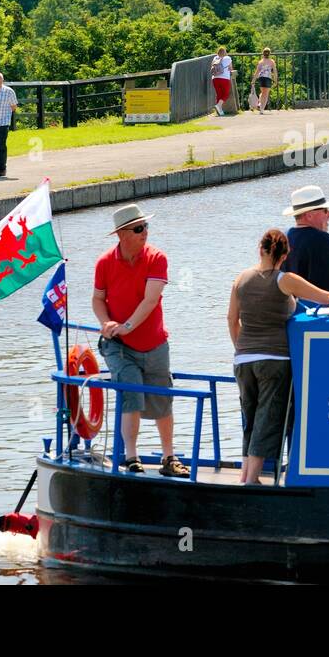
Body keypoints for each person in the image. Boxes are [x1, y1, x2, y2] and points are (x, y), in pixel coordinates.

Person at [228, 228, 329, 484]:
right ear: (285, 255)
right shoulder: (285, 280)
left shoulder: (241, 279)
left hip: (243, 361)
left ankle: (244, 475)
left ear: (260, 248)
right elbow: (324, 297)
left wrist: (241, 347)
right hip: (275, 359)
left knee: (250, 417)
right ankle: (251, 480)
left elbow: (232, 319)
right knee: (268, 418)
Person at [92, 205, 189, 478]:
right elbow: (98, 299)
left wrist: (127, 326)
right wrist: (106, 324)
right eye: (138, 229)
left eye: (146, 226)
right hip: (119, 347)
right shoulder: (104, 263)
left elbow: (151, 300)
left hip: (154, 342)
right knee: (131, 391)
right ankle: (131, 456)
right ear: (121, 234)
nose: (145, 232)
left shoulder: (157, 258)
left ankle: (169, 456)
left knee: (162, 398)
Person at [280, 185, 329, 299]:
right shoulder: (321, 239)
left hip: (289, 307)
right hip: (315, 308)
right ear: (309, 215)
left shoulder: (283, 237)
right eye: (325, 210)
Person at [252, 49, 277, 114]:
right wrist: (275, 80)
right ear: (269, 54)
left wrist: (253, 80)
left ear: (263, 54)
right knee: (266, 95)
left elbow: (257, 72)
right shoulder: (272, 61)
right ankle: (262, 109)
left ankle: (260, 103)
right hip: (268, 78)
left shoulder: (260, 62)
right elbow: (274, 72)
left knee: (263, 92)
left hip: (261, 78)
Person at [211, 46, 233, 117]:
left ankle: (219, 111)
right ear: (225, 52)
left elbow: (212, 66)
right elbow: (230, 68)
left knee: (219, 95)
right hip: (224, 79)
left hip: (215, 78)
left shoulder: (215, 58)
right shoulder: (228, 58)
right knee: (226, 94)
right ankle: (218, 105)